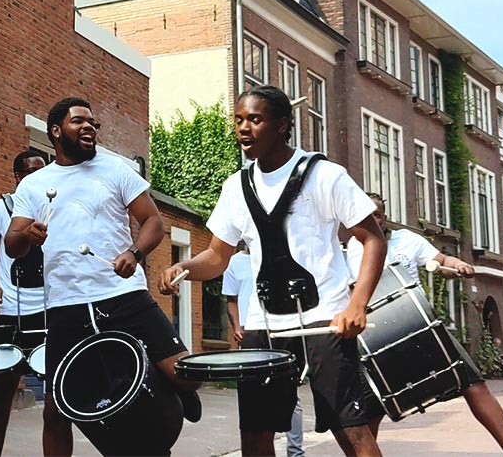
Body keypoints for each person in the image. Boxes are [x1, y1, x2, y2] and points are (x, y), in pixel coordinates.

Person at [160, 85, 388, 457]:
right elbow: (217, 255)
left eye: (255, 119)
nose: (243, 129)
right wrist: (184, 266)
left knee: (351, 432)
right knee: (255, 434)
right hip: (264, 323)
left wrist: (357, 303)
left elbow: (373, 239)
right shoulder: (236, 187)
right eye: (239, 120)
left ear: (283, 125)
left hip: (325, 318)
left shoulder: (324, 175)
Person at [4, 97, 201, 456]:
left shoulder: (116, 169)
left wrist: (135, 253)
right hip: (67, 307)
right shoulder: (34, 185)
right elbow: (12, 244)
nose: (89, 127)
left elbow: (154, 222)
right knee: (55, 410)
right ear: (55, 131)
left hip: (123, 295)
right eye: (79, 121)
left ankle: (176, 395)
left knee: (185, 374)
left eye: (93, 122)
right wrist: (27, 236)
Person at [346, 194, 503, 457]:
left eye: (377, 214)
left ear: (385, 216)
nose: (374, 219)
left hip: (419, 325)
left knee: (472, 383)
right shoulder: (349, 250)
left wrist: (458, 265)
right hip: (376, 334)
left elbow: (441, 262)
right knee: (372, 406)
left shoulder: (408, 240)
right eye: (368, 214)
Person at [0, 150, 48, 456]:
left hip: (51, 312)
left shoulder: (56, 207)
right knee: (3, 391)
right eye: (30, 172)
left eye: (42, 172)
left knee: (58, 393)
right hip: (12, 313)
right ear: (18, 177)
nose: (37, 178)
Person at [223, 243, 305, 457]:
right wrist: (237, 327)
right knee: (254, 406)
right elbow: (230, 299)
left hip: (280, 331)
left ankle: (295, 452)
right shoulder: (235, 262)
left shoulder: (278, 253)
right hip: (251, 334)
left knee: (289, 395)